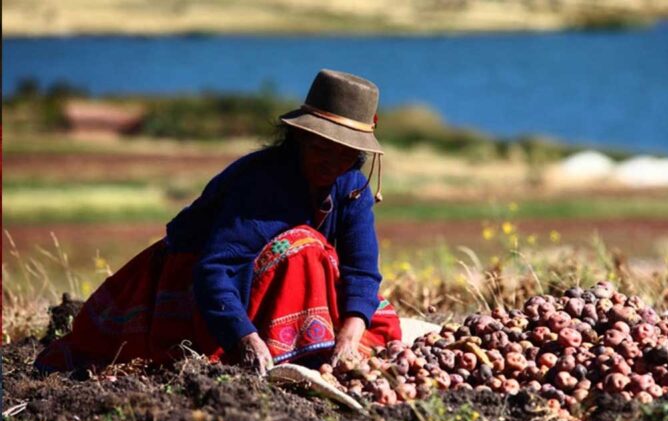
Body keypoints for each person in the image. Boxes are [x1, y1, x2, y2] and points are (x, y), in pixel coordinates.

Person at [35, 69, 402, 375]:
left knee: (374, 315)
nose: (332, 162)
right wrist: (245, 338)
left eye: (345, 153)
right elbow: (215, 269)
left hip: (265, 282)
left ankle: (310, 342)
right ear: (300, 138)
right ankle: (293, 345)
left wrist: (350, 333)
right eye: (322, 147)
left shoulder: (352, 187)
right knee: (305, 249)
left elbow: (361, 268)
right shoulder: (262, 184)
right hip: (198, 282)